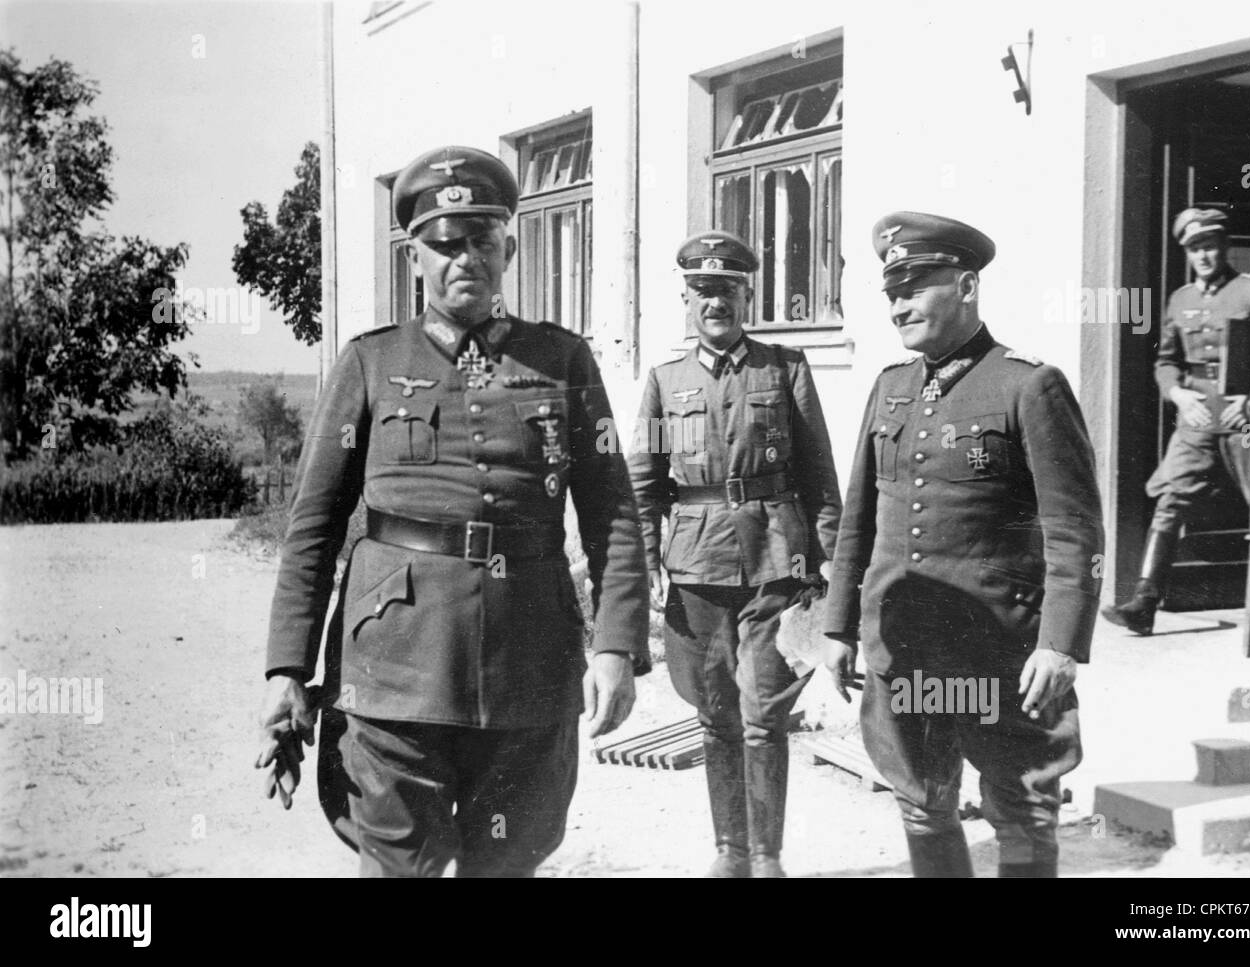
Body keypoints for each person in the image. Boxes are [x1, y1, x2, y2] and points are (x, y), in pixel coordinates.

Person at [254, 145, 650, 877]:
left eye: (482, 241)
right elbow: (312, 523)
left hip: (530, 664)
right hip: (395, 665)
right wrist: (288, 668)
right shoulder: (370, 363)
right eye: (444, 245)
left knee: (509, 861)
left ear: (508, 245)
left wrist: (616, 647)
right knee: (406, 866)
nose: (464, 258)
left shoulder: (562, 361)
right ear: (415, 256)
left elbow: (613, 515)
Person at [822, 211, 1104, 878]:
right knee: (923, 803)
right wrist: (836, 626)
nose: (898, 305)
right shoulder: (890, 387)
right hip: (907, 649)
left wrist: (1061, 643)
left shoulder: (1027, 384)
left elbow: (1074, 528)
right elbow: (858, 518)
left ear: (968, 284)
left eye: (916, 286)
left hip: (998, 657)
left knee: (1022, 811)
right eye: (891, 291)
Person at [627, 230, 841, 877]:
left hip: (778, 562)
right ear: (686, 299)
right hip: (697, 566)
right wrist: (639, 575)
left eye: (726, 289)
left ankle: (767, 854)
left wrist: (831, 569)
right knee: (716, 712)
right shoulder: (665, 382)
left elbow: (821, 476)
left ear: (746, 294)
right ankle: (729, 850)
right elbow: (644, 488)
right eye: (702, 291)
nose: (714, 301)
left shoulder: (785, 368)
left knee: (764, 710)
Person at [1102, 207, 1250, 635]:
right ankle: (1145, 602)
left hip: (1246, 419)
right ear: (1187, 253)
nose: (1204, 256)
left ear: (1224, 247)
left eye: (1210, 246)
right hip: (1197, 418)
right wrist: (1176, 392)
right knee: (1171, 497)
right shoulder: (1181, 299)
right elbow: (1166, 361)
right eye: (1195, 249)